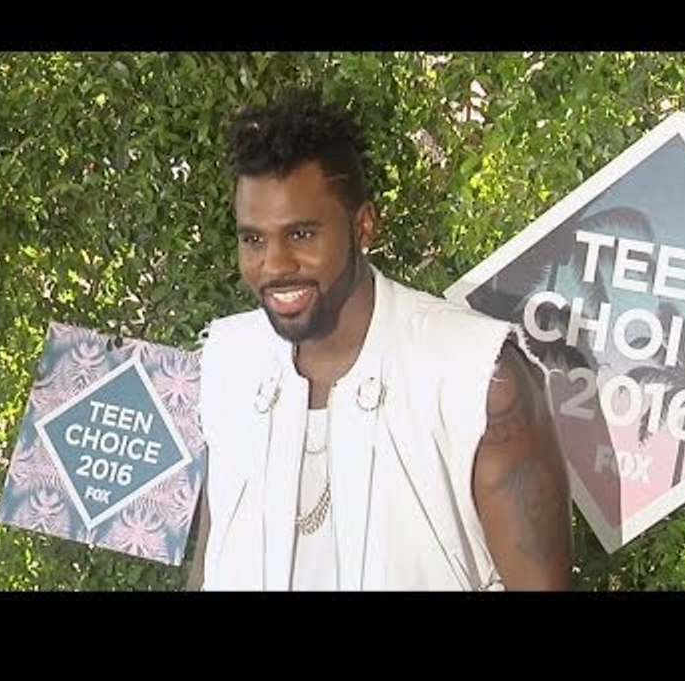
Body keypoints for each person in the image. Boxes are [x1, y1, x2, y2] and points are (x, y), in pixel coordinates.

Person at [185, 88, 572, 591]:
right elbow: (213, 562)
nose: (274, 265)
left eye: (302, 235)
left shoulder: (479, 375)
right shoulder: (227, 360)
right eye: (253, 239)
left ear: (362, 226)